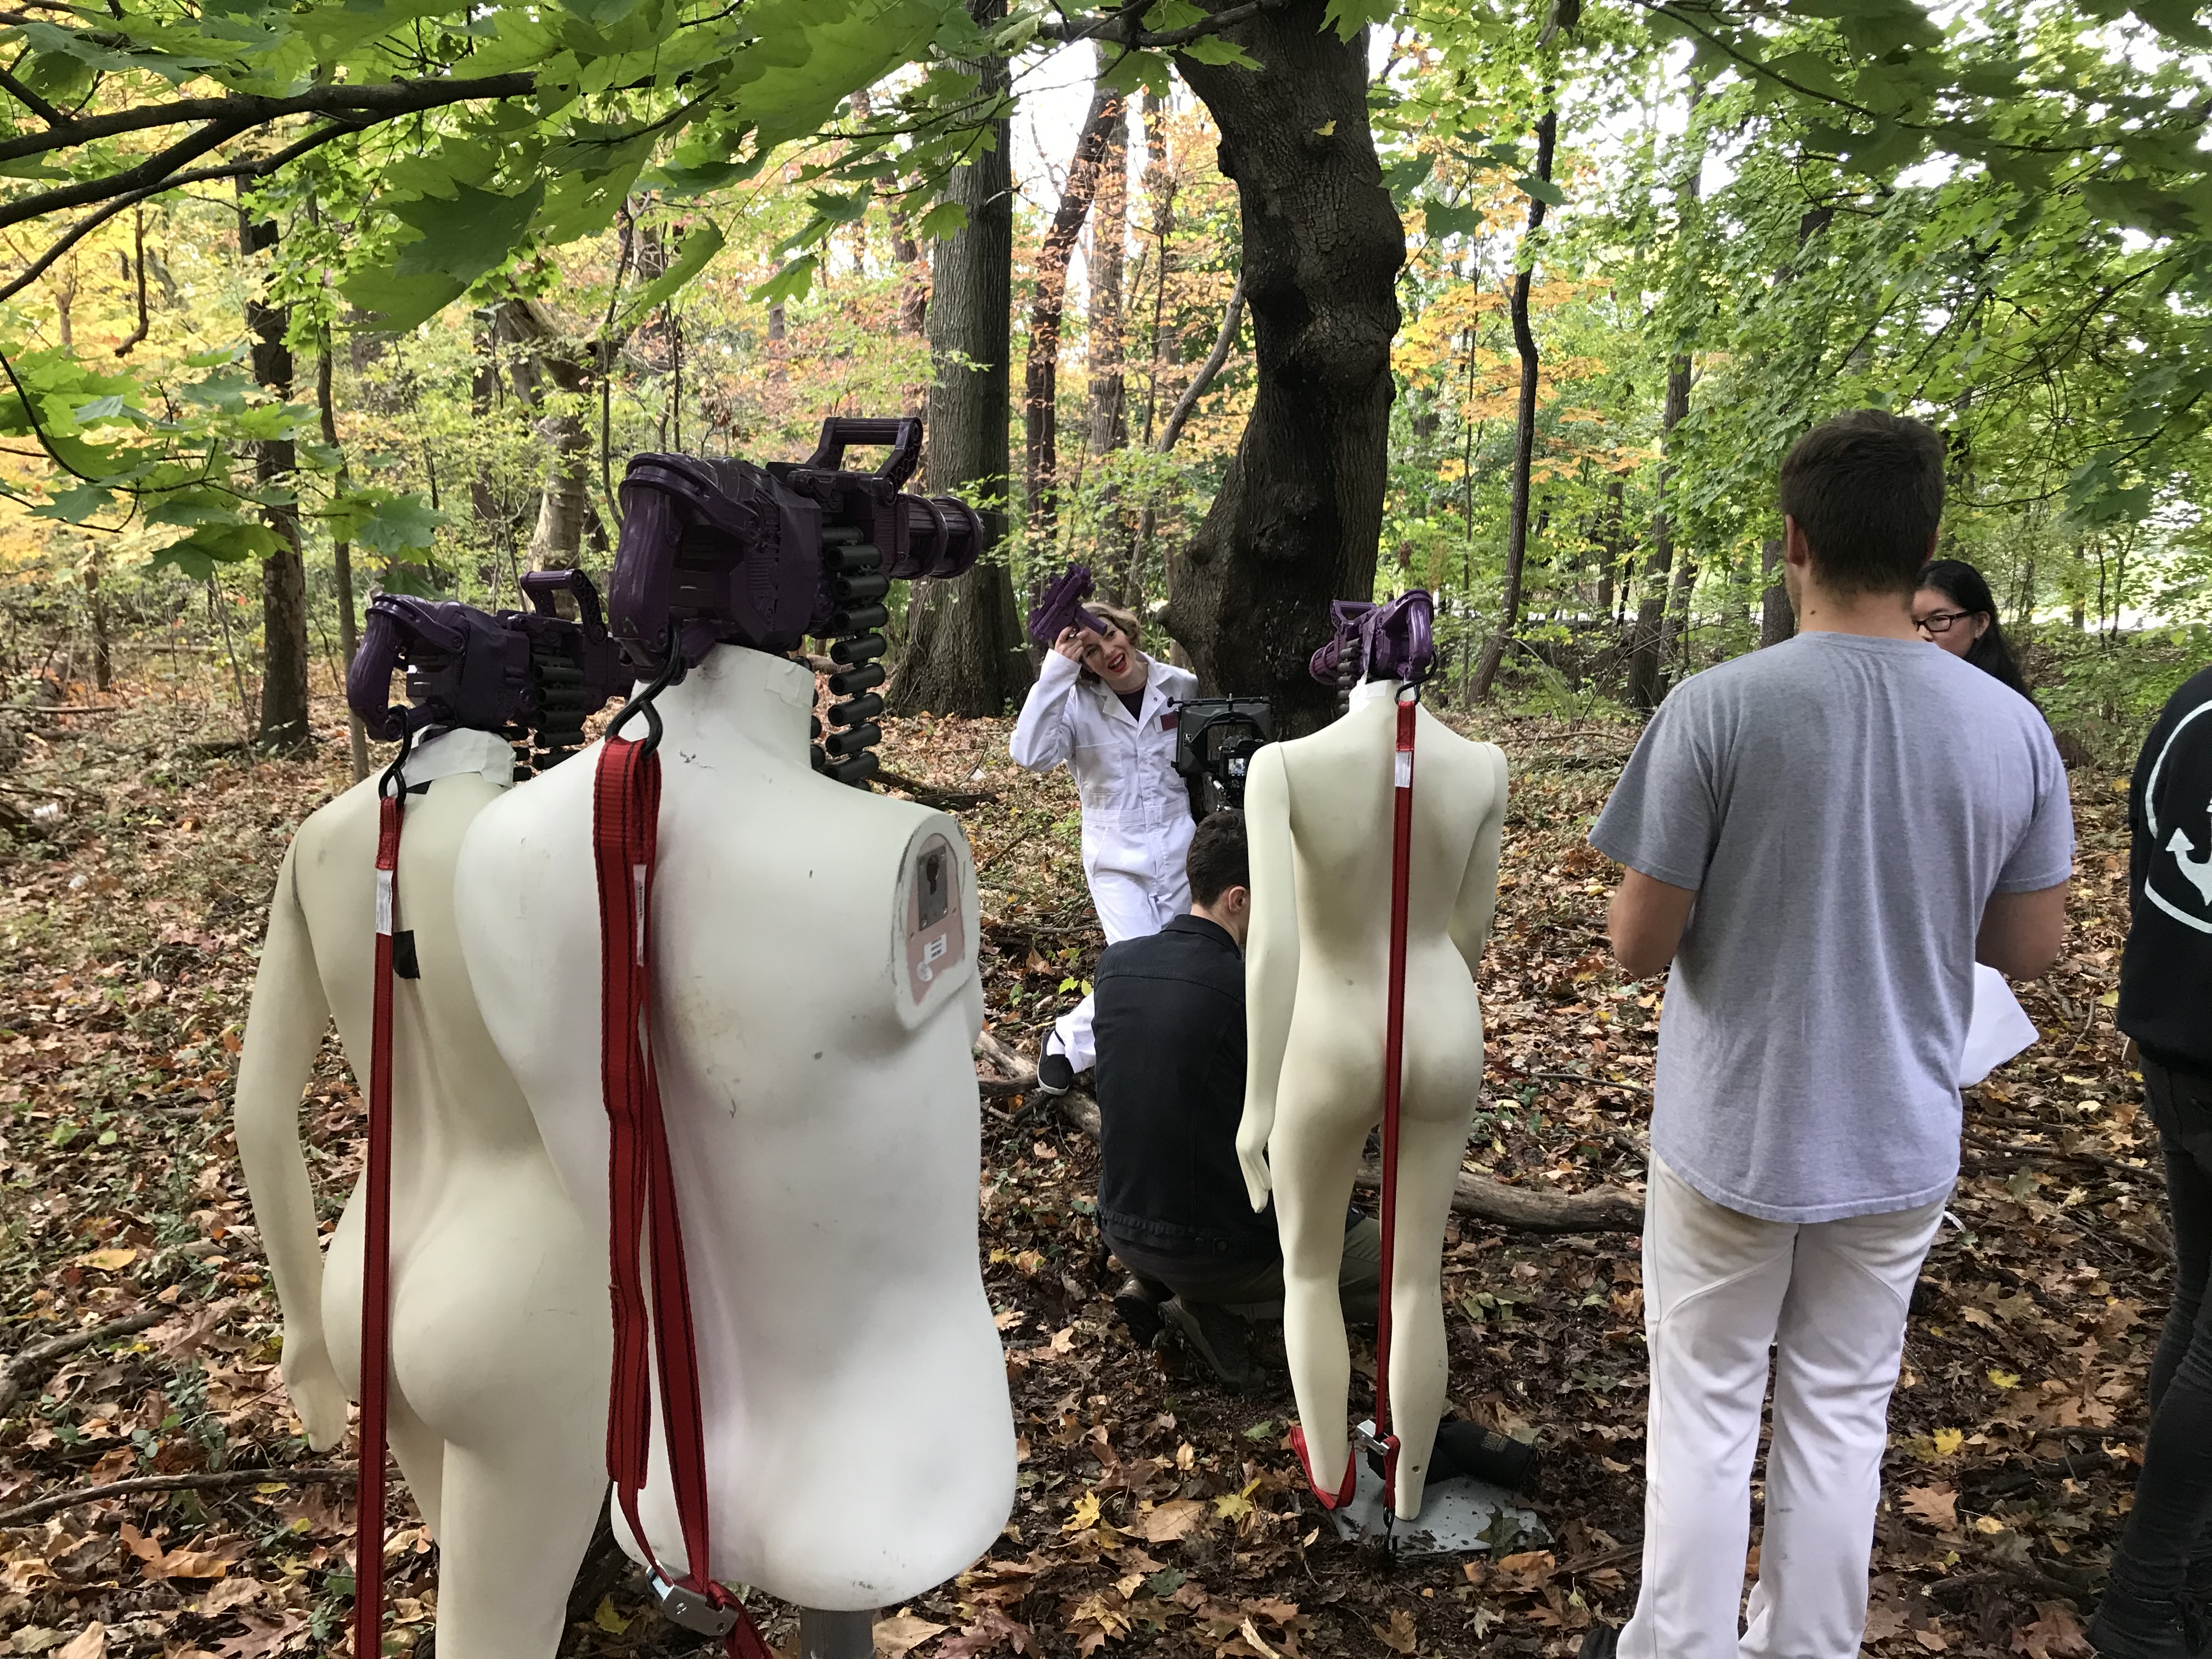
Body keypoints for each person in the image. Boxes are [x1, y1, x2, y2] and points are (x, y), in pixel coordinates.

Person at [1581, 410, 2074, 1659]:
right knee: (1843, 1413)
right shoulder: (2007, 729)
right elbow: (2028, 952)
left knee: (1704, 1406)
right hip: (1900, 1134)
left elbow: (1638, 945)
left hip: (1731, 1129)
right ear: (1928, 550)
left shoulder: (1716, 711)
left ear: (1790, 541)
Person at [1090, 810, 1383, 1391]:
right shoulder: (1250, 993)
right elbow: (1319, 1124)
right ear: (1239, 899)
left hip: (1121, 1224)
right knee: (1394, 1265)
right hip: (1212, 1248)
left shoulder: (1117, 966)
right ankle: (1207, 1306)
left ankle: (1158, 1282)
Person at [2099, 659, 2212, 1657]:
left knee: (2198, 1296)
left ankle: (2178, 1544)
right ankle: (2146, 1594)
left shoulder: (2190, 700)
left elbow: (2153, 863)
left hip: (2173, 1043)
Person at [1008, 600, 1198, 1093]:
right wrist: (1057, 670)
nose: (1107, 652)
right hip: (1115, 857)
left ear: (1126, 631)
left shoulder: (1181, 687)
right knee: (1138, 963)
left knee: (1181, 962)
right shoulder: (1075, 707)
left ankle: (1162, 1053)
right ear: (1083, 663)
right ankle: (1068, 1046)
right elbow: (1028, 755)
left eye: (1109, 636)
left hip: (1181, 849)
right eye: (1090, 651)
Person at [1914, 556, 2031, 696]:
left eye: (1938, 620)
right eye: (1911, 622)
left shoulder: (2003, 701)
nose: (1921, 634)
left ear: (1980, 624)